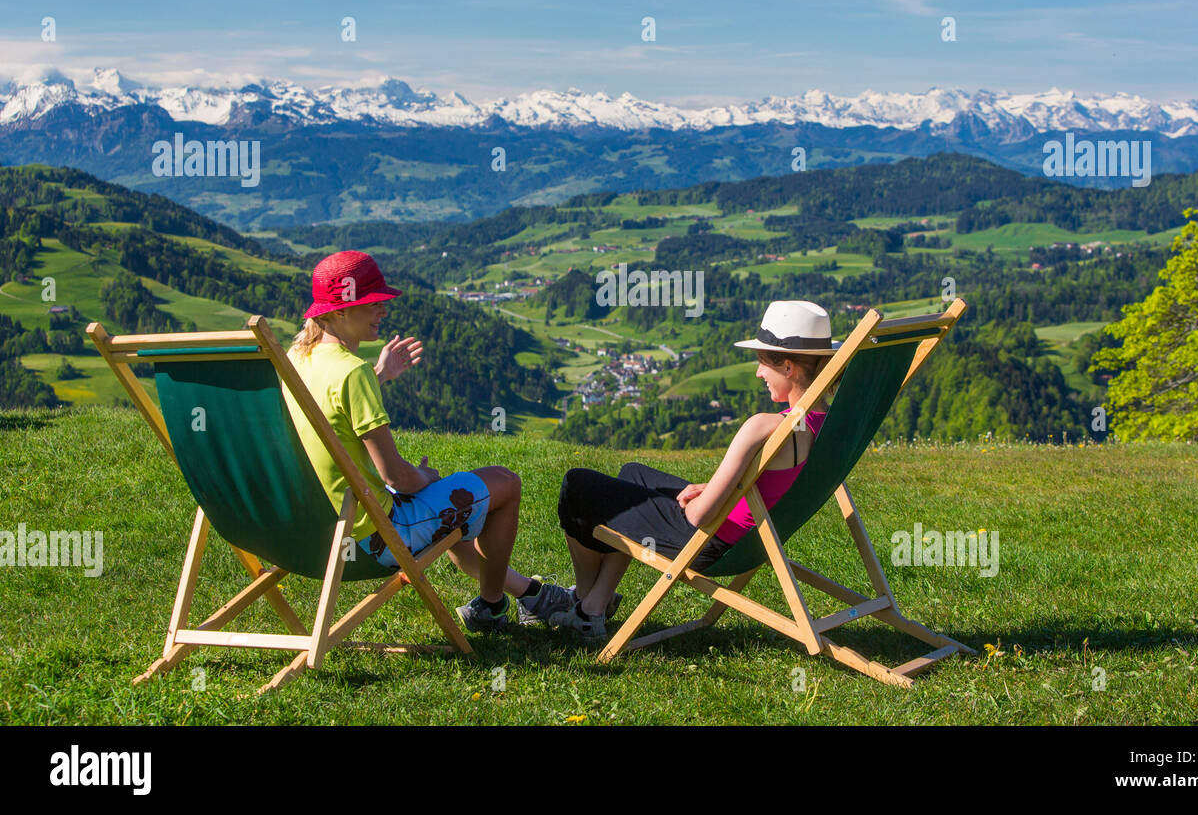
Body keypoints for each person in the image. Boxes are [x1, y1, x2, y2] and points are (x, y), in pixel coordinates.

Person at [281, 250, 571, 632]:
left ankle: (530, 594)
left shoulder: (296, 359)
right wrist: (426, 479)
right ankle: (492, 605)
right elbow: (397, 477)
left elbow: (327, 414)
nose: (383, 310)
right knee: (504, 482)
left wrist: (379, 375)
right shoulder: (351, 373)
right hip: (372, 538)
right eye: (372, 304)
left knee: (445, 508)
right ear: (338, 312)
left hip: (309, 532)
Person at [552, 300, 839, 641]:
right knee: (632, 475)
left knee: (577, 486)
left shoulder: (764, 427)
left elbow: (699, 518)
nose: (759, 373)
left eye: (763, 363)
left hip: (712, 541)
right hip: (754, 537)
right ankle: (596, 602)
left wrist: (691, 503)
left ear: (789, 367)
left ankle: (586, 605)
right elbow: (772, 482)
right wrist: (714, 486)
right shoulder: (828, 424)